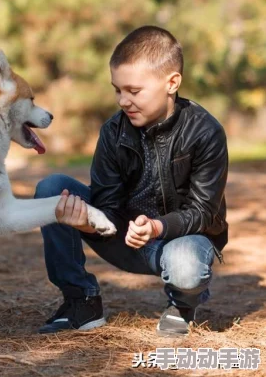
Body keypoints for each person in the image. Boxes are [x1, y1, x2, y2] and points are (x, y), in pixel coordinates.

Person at [34, 25, 228, 337]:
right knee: (51, 189)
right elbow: (107, 207)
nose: (123, 101)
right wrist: (87, 222)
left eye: (134, 91)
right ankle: (81, 301)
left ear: (172, 83)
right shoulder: (113, 132)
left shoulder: (205, 132)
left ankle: (181, 304)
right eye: (117, 90)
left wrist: (156, 227)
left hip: (180, 241)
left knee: (187, 267)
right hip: (124, 238)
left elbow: (206, 213)